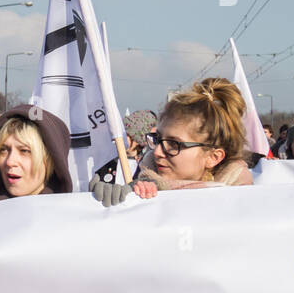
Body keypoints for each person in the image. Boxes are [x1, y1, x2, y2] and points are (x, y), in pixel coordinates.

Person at [91, 78, 253, 205]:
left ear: (213, 157)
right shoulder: (143, 182)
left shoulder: (246, 203)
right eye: (158, 139)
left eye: (174, 144)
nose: (157, 152)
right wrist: (116, 202)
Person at [0, 104, 72, 203]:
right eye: (4, 149)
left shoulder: (69, 214)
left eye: (24, 151)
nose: (10, 162)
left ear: (50, 159)